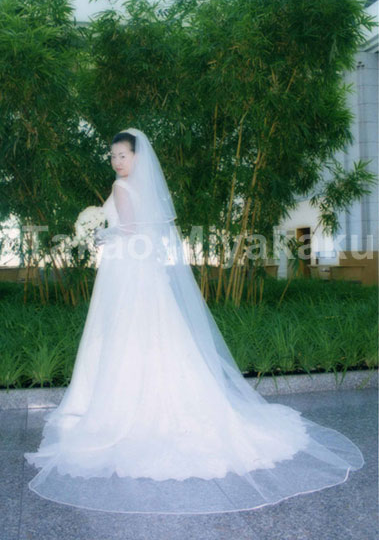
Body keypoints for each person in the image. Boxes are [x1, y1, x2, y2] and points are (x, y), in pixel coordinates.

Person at [24, 128, 364, 514]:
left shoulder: (121, 189)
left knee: (124, 333)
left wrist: (101, 234)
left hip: (125, 271)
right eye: (113, 156)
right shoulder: (140, 188)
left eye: (123, 155)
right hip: (140, 271)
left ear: (137, 157)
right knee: (155, 333)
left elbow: (129, 230)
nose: (117, 162)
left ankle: (119, 405)